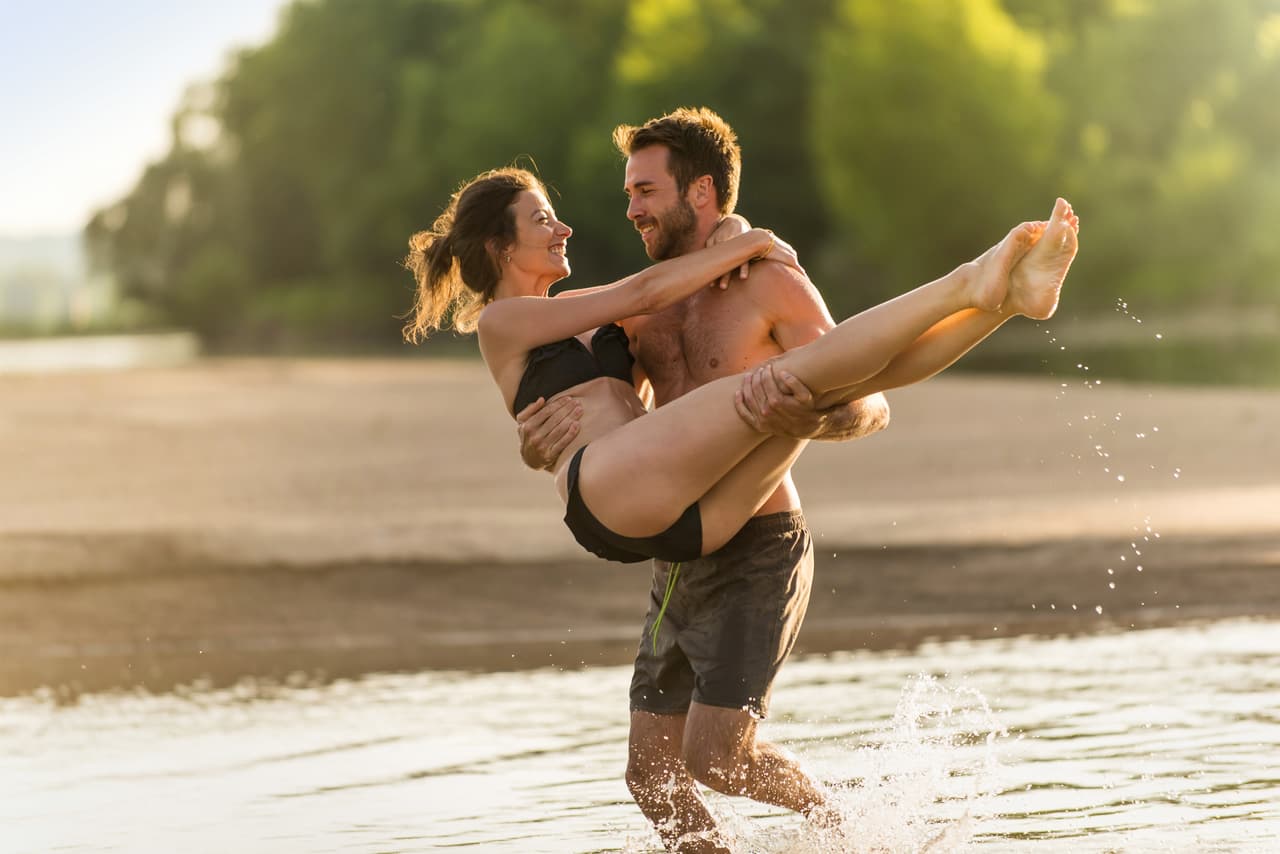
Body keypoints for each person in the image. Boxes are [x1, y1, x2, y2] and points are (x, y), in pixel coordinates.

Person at [404, 160, 1078, 846]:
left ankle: (1000, 302)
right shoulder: (505, 322)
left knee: (819, 387)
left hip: (683, 519)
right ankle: (968, 281)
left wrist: (734, 232)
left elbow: (633, 369)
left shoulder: (603, 327)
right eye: (542, 218)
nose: (564, 226)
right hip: (606, 491)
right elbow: (644, 288)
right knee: (797, 375)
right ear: (498, 247)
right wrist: (752, 242)